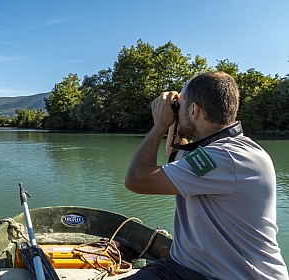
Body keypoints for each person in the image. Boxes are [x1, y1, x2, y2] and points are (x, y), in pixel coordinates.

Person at [123, 72, 289, 279]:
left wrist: (160, 125)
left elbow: (137, 179)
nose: (176, 111)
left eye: (181, 107)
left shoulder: (230, 157)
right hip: (185, 266)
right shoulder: (213, 148)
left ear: (194, 110)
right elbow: (175, 158)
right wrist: (175, 120)